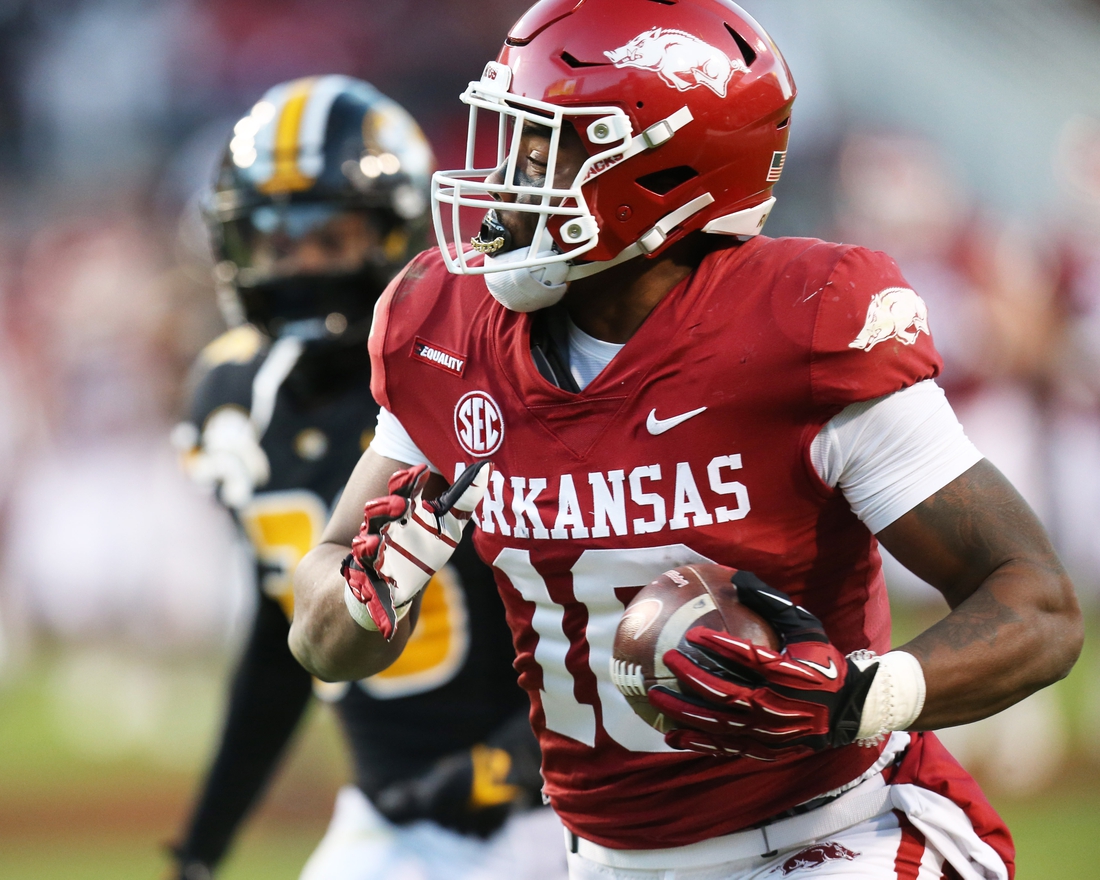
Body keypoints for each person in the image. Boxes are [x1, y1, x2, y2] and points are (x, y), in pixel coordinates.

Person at [289, 4, 1084, 879]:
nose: (509, 179)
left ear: (665, 172)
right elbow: (323, 637)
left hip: (835, 836)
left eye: (547, 147)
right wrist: (367, 594)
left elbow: (1035, 603)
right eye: (513, 138)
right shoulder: (446, 332)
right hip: (607, 859)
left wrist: (858, 697)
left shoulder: (800, 328)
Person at [167, 75, 565, 880]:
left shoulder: (466, 369)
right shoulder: (232, 400)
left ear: (393, 233)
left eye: (329, 238)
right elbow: (286, 638)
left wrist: (515, 760)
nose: (299, 266)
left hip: (557, 805)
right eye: (277, 242)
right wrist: (203, 845)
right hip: (388, 814)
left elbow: (582, 599)